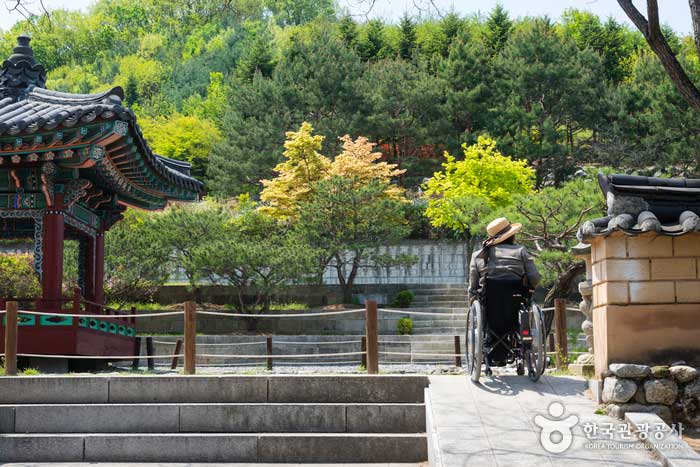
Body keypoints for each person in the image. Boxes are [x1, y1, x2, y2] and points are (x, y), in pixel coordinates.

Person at [468, 217, 541, 367]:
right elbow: (534, 278)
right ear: (511, 235)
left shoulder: (479, 255)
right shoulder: (521, 251)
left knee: (484, 305)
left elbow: (473, 286)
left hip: (490, 303)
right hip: (516, 300)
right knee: (522, 304)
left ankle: (489, 352)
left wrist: (472, 302)